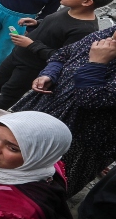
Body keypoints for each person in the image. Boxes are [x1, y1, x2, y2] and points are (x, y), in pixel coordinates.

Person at [0, 0, 112, 114]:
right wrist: (38, 23)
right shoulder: (69, 9)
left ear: (87, 2)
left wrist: (31, 44)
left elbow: (63, 57)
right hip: (19, 53)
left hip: (33, 66)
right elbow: (56, 25)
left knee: (10, 91)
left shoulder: (84, 30)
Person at [12, 25, 116, 196]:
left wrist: (97, 63)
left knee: (43, 189)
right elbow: (62, 54)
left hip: (82, 140)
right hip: (44, 109)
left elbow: (90, 99)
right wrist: (49, 74)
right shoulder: (106, 33)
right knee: (10, 154)